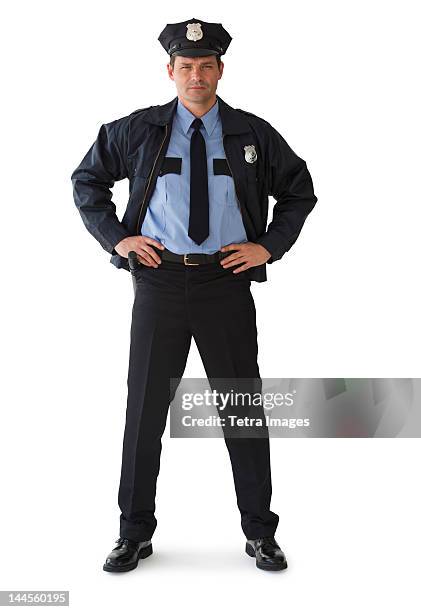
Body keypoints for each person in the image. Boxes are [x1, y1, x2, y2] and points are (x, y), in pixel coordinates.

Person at [71, 17, 317, 572]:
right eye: (186, 67)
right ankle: (133, 532)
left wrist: (269, 246)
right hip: (158, 282)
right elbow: (87, 179)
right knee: (145, 411)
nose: (196, 76)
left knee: (241, 408)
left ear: (220, 70)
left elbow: (299, 191)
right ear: (171, 71)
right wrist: (119, 238)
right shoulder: (140, 130)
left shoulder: (252, 134)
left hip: (224, 282)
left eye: (207, 66)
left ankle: (260, 532)